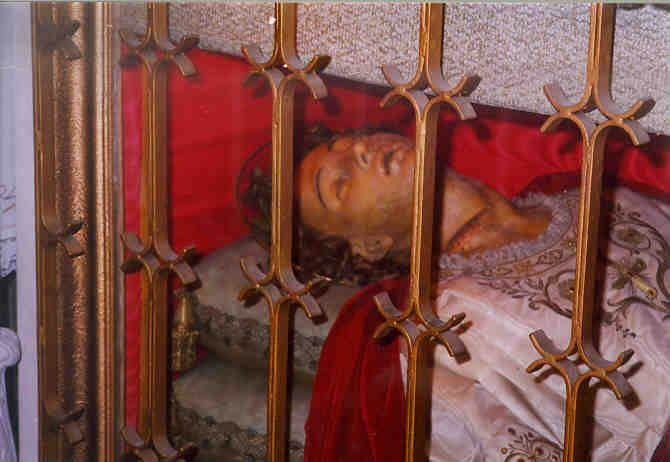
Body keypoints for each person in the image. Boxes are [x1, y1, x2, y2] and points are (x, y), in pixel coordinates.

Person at [295, 131, 552, 264]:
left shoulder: (556, 188)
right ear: (372, 244)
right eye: (341, 185)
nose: (360, 148)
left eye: (347, 142)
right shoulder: (464, 316)